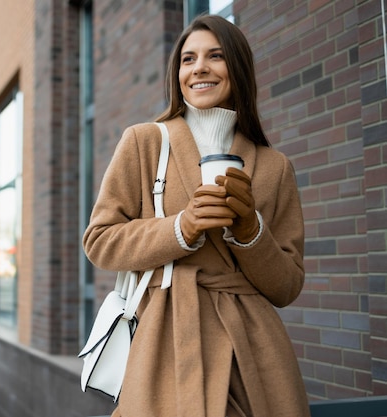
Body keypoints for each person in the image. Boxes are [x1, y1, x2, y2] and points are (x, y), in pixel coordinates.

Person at [82, 15, 310, 417]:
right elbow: (99, 241)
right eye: (188, 59)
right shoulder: (145, 141)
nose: (199, 67)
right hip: (166, 342)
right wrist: (180, 228)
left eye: (215, 56)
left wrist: (250, 230)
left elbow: (287, 286)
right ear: (178, 74)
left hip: (255, 352)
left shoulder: (276, 168)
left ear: (237, 68)